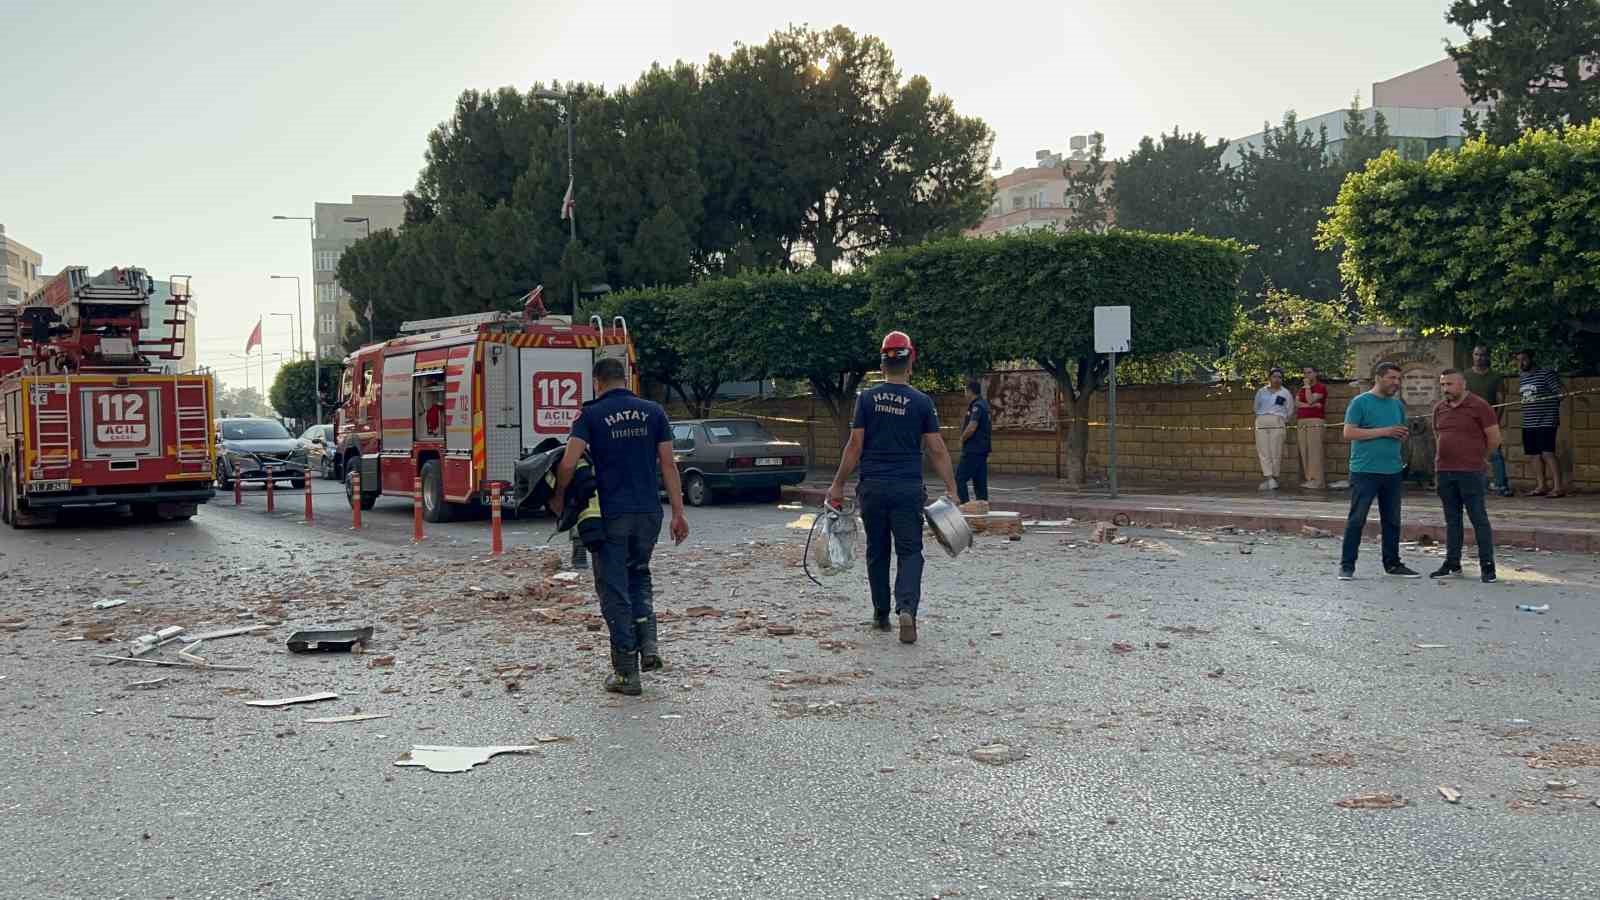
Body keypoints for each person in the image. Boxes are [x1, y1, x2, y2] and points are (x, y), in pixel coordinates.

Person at [555, 357, 689, 696]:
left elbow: (569, 461)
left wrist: (559, 496)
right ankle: (650, 646)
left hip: (611, 515)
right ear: (625, 378)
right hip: (649, 513)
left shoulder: (590, 415)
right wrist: (678, 512)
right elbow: (669, 465)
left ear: (597, 382)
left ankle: (627, 673)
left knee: (614, 589)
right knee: (639, 575)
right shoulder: (653, 412)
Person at [827, 331, 960, 645]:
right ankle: (907, 609)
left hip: (872, 487)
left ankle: (881, 614)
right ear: (911, 361)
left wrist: (837, 484)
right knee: (910, 551)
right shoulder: (922, 402)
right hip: (906, 489)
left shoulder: (867, 399)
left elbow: (855, 444)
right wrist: (952, 488)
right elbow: (936, 448)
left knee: (877, 551)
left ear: (883, 364)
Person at [1338, 362, 1420, 580]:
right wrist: (1386, 431)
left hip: (1392, 471)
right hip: (1364, 470)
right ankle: (1347, 566)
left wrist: (1401, 435)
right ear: (1378, 378)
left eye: (1398, 379)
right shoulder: (1360, 402)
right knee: (1357, 519)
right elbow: (1349, 433)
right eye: (1392, 378)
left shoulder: (1397, 406)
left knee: (1392, 520)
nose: (1396, 383)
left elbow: (1398, 432)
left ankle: (1393, 564)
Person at [1430, 369, 1500, 583]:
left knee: (1479, 518)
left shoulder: (1480, 406)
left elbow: (1494, 438)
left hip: (1471, 472)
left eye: (1449, 384)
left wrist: (1481, 459)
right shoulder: (1439, 409)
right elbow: (1438, 435)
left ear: (1463, 384)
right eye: (1442, 385)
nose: (1445, 389)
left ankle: (1487, 567)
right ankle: (1452, 563)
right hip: (1444, 472)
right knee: (1452, 520)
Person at [1465, 345, 1513, 497]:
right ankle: (1481, 485)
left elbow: (1501, 400)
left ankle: (1501, 485)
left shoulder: (1495, 377)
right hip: (1470, 421)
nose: (1479, 358)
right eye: (1477, 354)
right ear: (1472, 356)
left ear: (1488, 357)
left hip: (1489, 420)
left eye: (1483, 355)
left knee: (1495, 454)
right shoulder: (1465, 375)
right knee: (1473, 454)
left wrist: (1496, 421)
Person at [1516, 349, 1566, 497]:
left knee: (1547, 453)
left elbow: (1562, 393)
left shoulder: (1546, 373)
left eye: (1524, 359)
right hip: (1529, 422)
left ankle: (1558, 488)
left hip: (1546, 420)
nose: (1521, 363)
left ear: (1531, 359)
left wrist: (1550, 401)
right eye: (1518, 360)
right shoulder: (1522, 377)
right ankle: (1541, 486)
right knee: (1534, 455)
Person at [1253, 368, 1295, 491]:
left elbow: (1290, 410)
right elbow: (1256, 407)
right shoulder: (1261, 391)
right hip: (1262, 419)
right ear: (1269, 378)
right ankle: (1268, 478)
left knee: (1275, 450)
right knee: (1263, 451)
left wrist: (1281, 420)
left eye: (1280, 377)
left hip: (1277, 420)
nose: (1277, 379)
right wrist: (1261, 417)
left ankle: (1274, 478)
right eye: (1274, 376)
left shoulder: (1285, 393)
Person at [955, 380, 992, 504]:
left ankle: (965, 505)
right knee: (979, 481)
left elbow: (972, 427)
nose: (965, 393)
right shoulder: (983, 404)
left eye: (965, 390)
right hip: (981, 449)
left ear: (970, 391)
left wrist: (962, 439)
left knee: (959, 478)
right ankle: (982, 508)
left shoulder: (977, 406)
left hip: (974, 449)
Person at [1295, 366, 1328, 490]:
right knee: (1305, 449)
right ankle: (1310, 479)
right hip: (1301, 420)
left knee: (1315, 450)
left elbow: (1309, 400)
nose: (1306, 375)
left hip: (1315, 420)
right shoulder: (1301, 389)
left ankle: (1317, 481)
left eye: (1309, 372)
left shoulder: (1320, 387)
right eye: (1304, 373)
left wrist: (1308, 387)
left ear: (1315, 373)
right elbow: (1297, 403)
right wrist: (1311, 405)